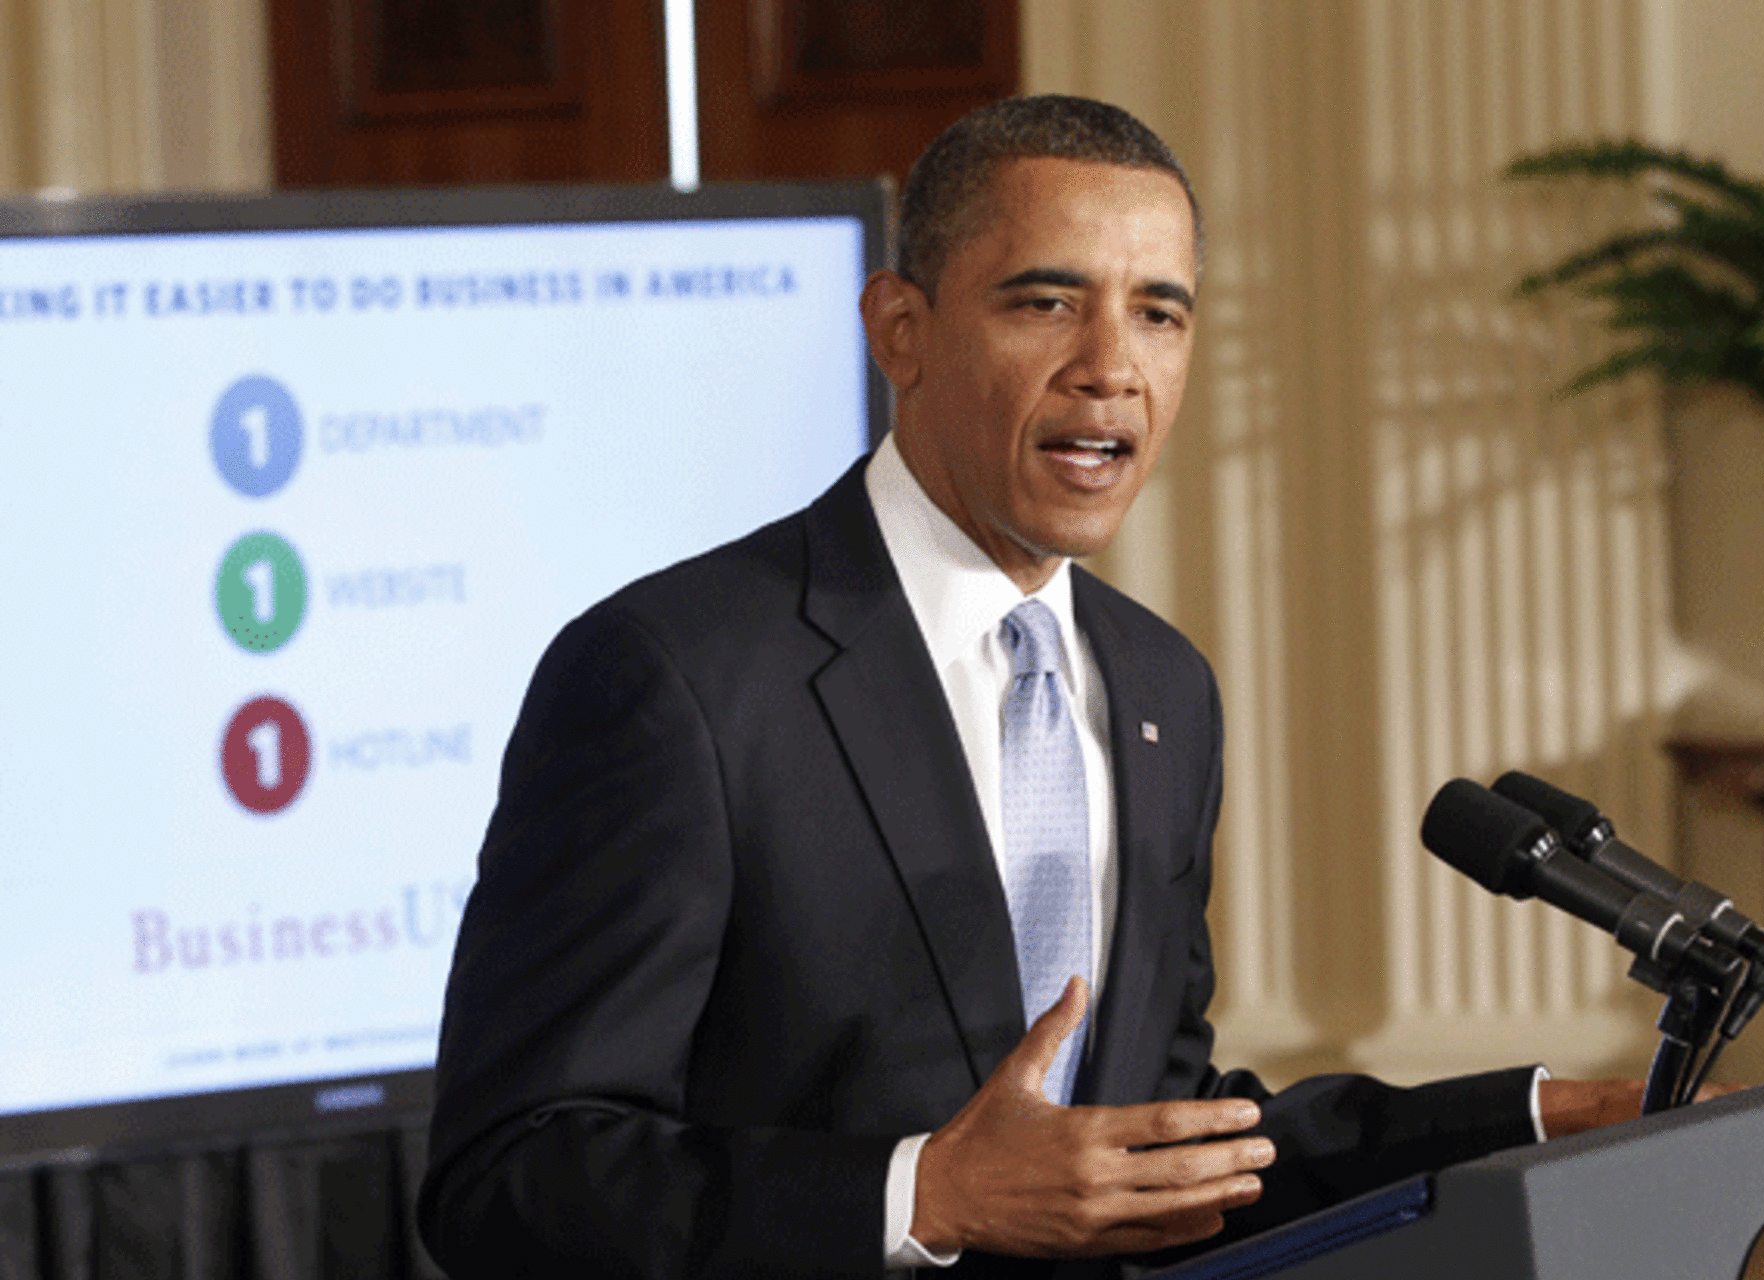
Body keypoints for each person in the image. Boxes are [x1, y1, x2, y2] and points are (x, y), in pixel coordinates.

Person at [418, 95, 1642, 1278]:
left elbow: (1154, 1137)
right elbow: (511, 1176)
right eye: (1047, 301)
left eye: (1159, 314)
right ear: (901, 328)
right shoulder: (676, 675)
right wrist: (923, 1194)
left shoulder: (1163, 684)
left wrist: (1525, 1119)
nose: (1110, 367)